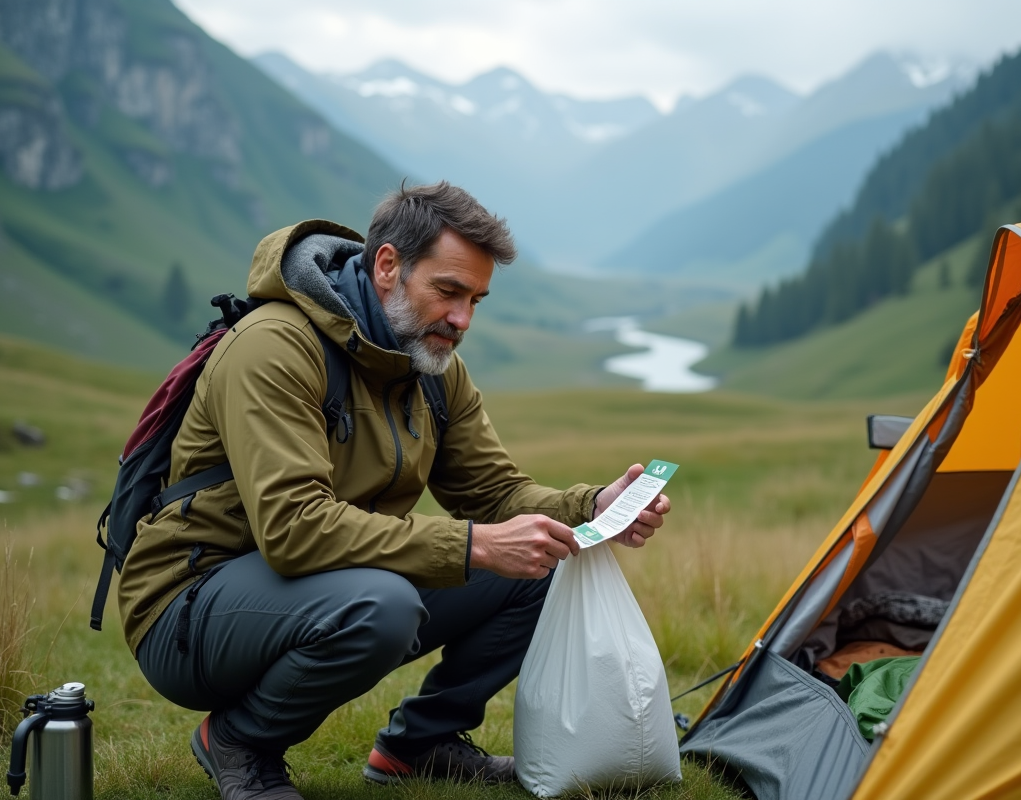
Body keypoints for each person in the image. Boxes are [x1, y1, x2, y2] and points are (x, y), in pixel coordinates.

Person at [117, 181, 672, 800]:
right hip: (189, 609)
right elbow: (295, 529)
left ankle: (421, 746)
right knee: (383, 605)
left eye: (476, 300)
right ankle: (240, 743)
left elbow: (493, 493)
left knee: (542, 558)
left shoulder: (433, 367)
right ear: (387, 266)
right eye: (448, 291)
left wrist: (588, 507)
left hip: (322, 584)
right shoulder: (275, 347)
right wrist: (475, 546)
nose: (462, 320)